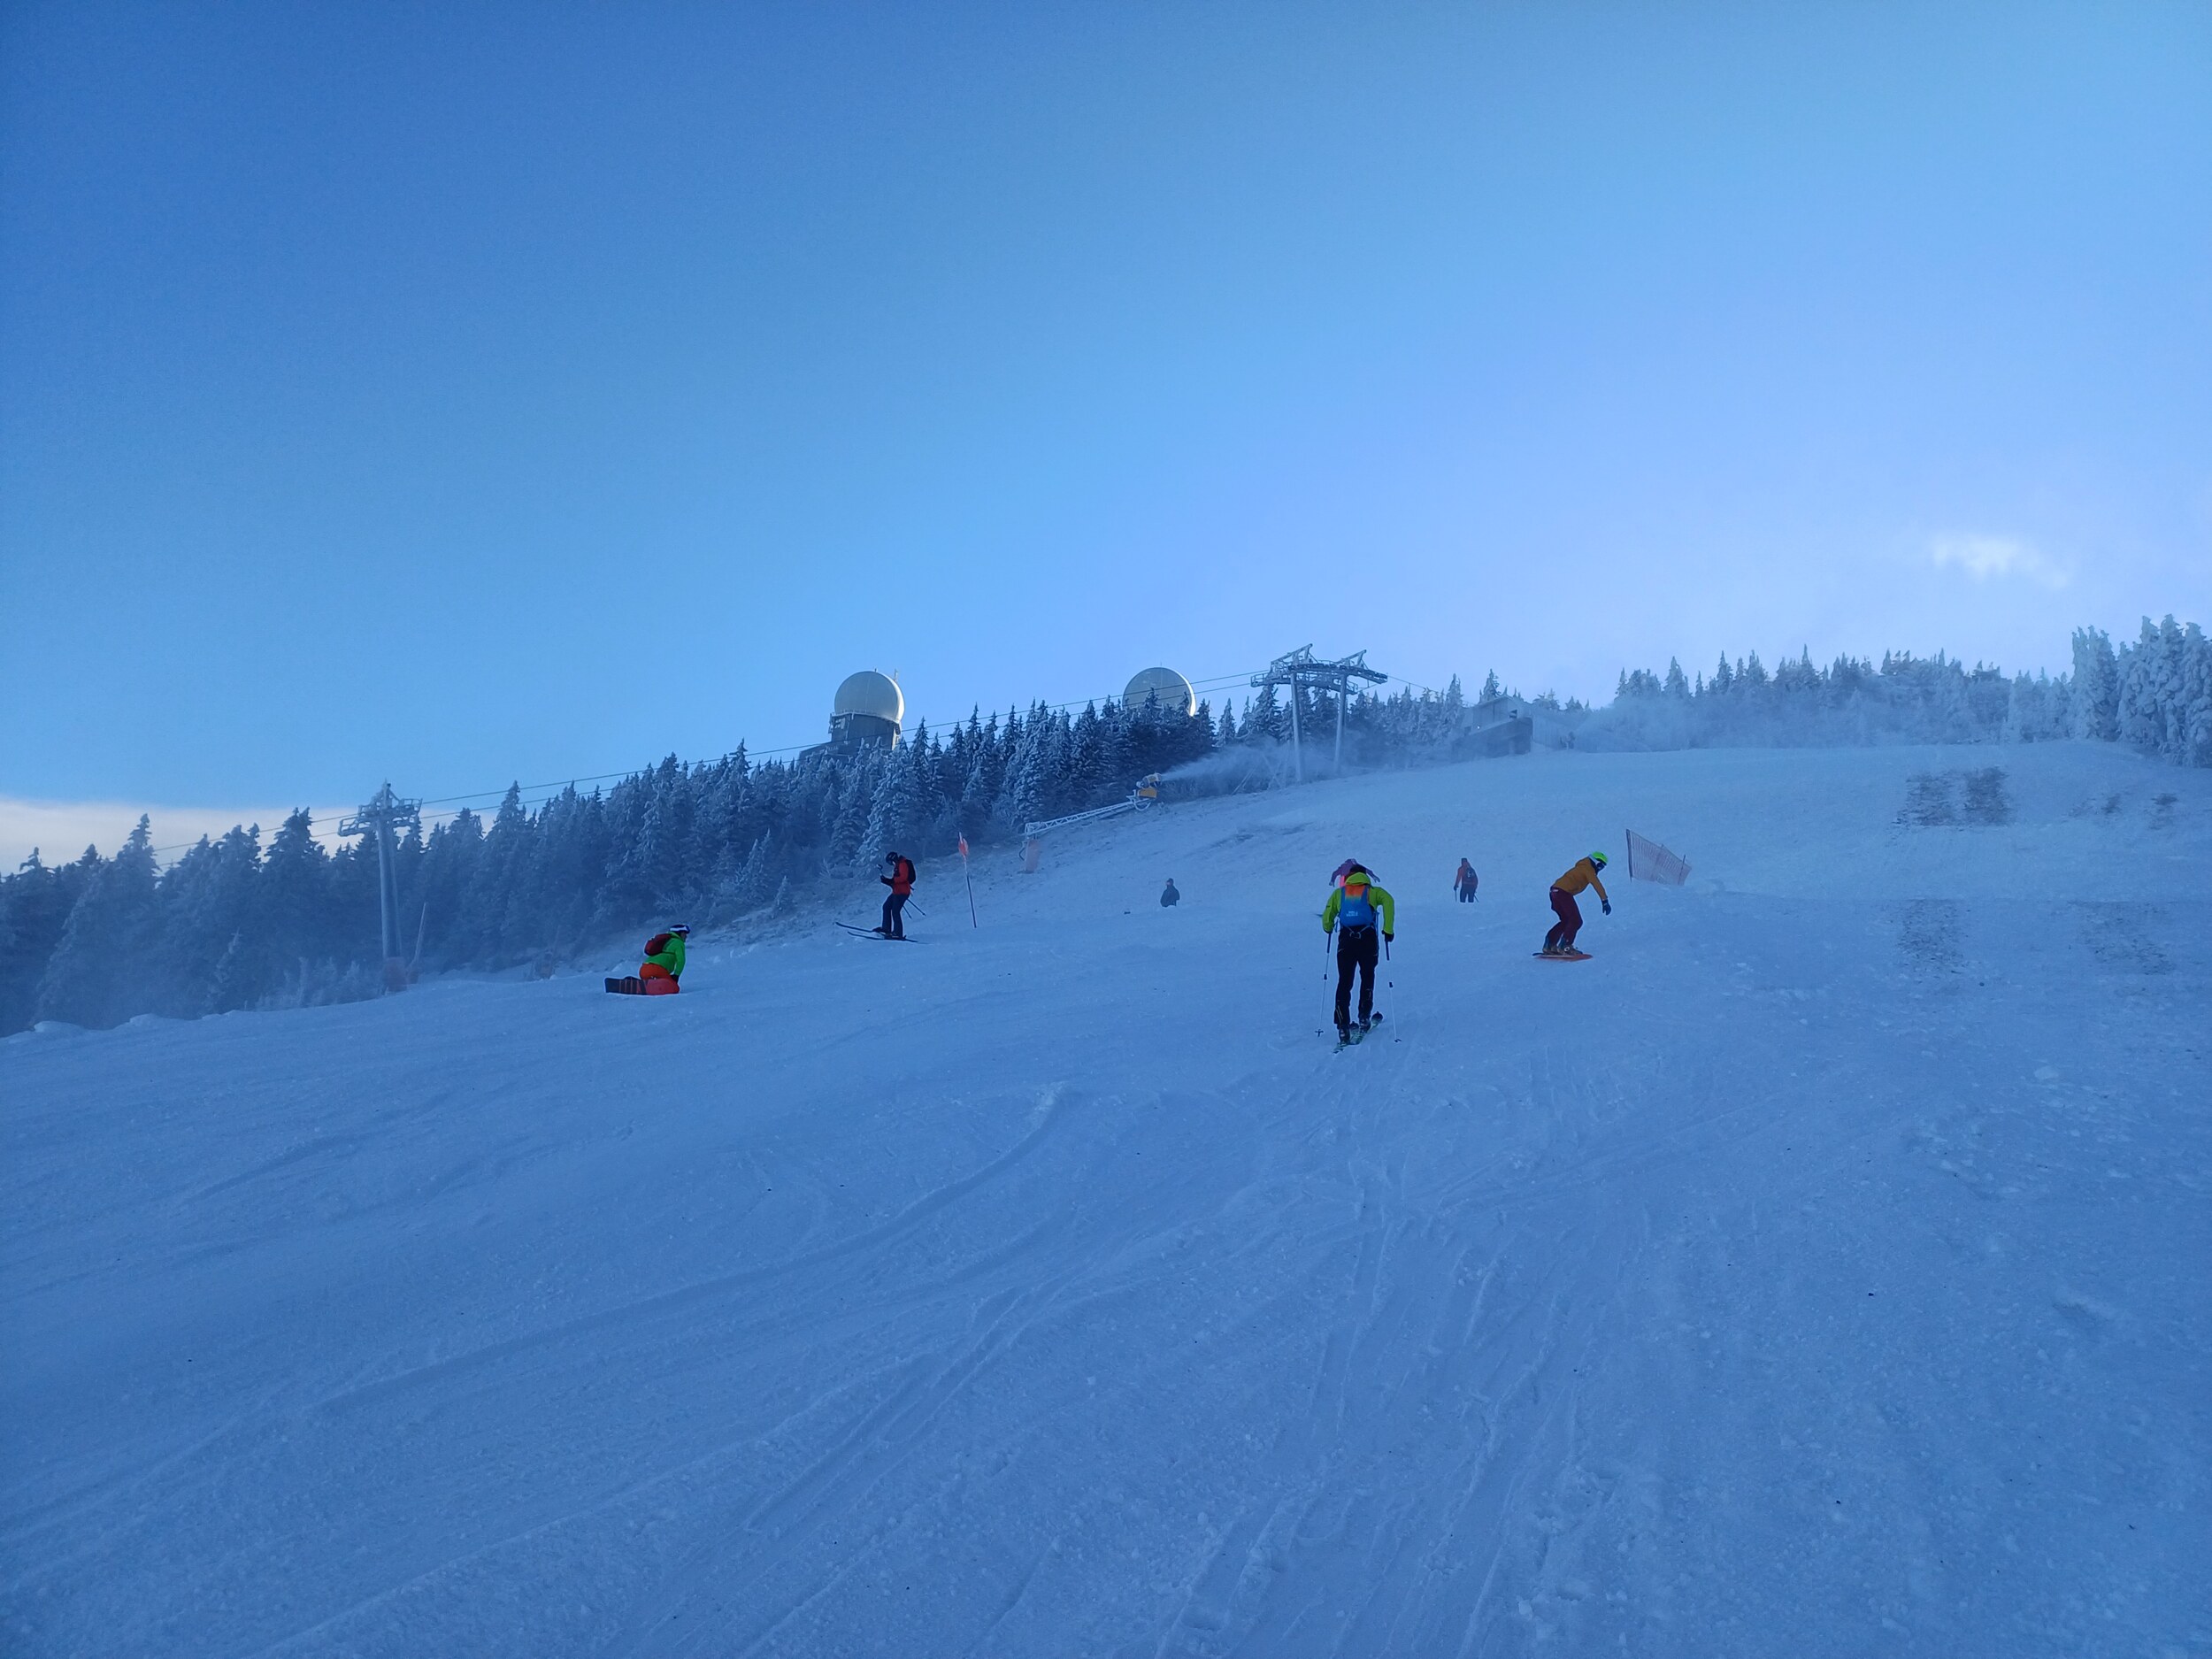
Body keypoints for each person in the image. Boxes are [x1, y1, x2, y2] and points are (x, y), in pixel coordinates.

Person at [1321, 864, 1395, 1041]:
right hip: (1367, 939)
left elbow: (1328, 915)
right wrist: (1388, 930)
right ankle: (1364, 1016)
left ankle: (1342, 1025)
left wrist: (1328, 927)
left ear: (1349, 876)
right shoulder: (1373, 892)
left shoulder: (1339, 894)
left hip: (1346, 940)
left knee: (1344, 981)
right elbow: (1389, 901)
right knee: (1367, 976)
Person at [1542, 851, 1609, 956]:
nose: (1600, 869)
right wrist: (1604, 900)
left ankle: (1549, 945)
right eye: (1600, 866)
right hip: (1563, 893)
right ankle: (1565, 947)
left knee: (1566, 921)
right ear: (1595, 862)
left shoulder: (1582, 867)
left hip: (1554, 891)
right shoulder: (1588, 868)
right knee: (1576, 921)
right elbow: (1596, 883)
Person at [638, 923, 690, 994]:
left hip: (644, 969)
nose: (686, 936)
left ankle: (635, 984)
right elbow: (681, 960)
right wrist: (676, 975)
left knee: (654, 982)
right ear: (679, 933)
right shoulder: (678, 942)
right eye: (684, 934)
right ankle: (649, 988)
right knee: (674, 988)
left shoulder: (665, 941)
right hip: (657, 969)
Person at [879, 850, 916, 938]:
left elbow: (903, 878)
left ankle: (898, 933)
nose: (891, 864)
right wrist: (888, 881)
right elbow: (896, 880)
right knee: (886, 907)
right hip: (897, 892)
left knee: (895, 911)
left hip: (902, 892)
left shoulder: (902, 864)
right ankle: (886, 929)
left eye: (890, 862)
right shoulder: (898, 865)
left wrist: (891, 881)